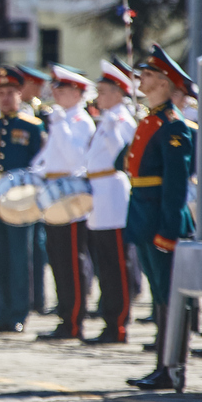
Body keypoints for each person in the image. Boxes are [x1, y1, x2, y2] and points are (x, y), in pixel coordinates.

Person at [125, 48, 196, 391]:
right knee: (159, 294)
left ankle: (172, 366)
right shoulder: (150, 119)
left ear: (166, 83)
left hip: (160, 218)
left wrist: (169, 229)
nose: (142, 79)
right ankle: (163, 364)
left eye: (148, 75)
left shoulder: (172, 125)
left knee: (169, 294)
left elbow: (177, 184)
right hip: (143, 213)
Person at [0, 66, 45, 335]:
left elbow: (40, 164)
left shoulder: (32, 126)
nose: (5, 98)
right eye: (0, 93)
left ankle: (18, 313)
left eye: (10, 93)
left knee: (19, 257)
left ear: (20, 95)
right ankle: (0, 314)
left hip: (20, 197)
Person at [35, 66, 96, 341]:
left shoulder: (80, 121)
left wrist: (59, 126)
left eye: (62, 88)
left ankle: (74, 320)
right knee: (58, 259)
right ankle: (65, 317)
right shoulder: (63, 120)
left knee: (71, 259)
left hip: (71, 193)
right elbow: (47, 159)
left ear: (77, 92)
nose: (55, 93)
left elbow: (74, 160)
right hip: (54, 192)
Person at [81, 61, 138, 345]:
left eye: (103, 92)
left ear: (118, 93)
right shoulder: (107, 119)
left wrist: (116, 126)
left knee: (116, 263)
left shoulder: (122, 120)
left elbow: (125, 155)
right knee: (104, 263)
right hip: (99, 194)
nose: (97, 98)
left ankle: (118, 324)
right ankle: (109, 320)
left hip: (113, 194)